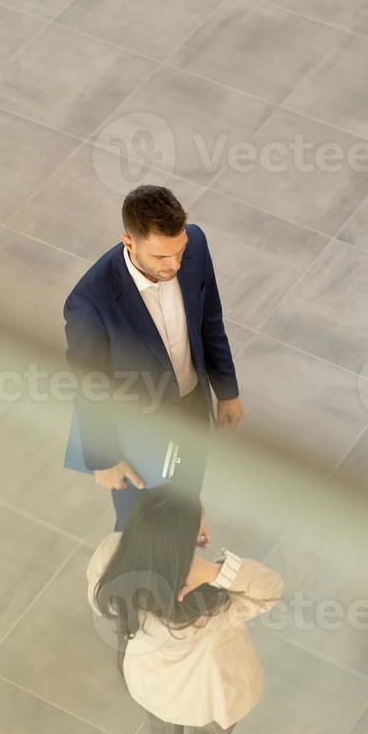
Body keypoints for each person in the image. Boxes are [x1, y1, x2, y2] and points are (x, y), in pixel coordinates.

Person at [87, 486, 282, 734]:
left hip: (151, 687)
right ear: (184, 539)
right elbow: (270, 588)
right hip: (206, 703)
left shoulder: (112, 555)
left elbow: (99, 598)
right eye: (200, 519)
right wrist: (214, 570)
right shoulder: (209, 602)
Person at [63, 185, 243, 530]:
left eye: (179, 251)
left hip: (190, 405)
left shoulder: (196, 245)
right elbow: (88, 385)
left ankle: (185, 547)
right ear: (128, 242)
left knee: (187, 499)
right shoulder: (90, 302)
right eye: (161, 257)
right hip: (138, 433)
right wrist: (106, 458)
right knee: (140, 525)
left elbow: (210, 322)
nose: (175, 264)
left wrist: (228, 392)